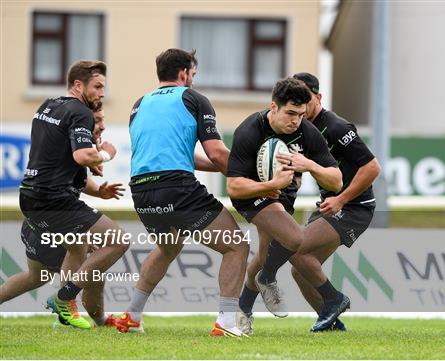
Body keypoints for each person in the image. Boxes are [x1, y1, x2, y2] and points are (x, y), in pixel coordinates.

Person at [114, 48, 249, 337]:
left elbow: (182, 156)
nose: (194, 80)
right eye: (193, 75)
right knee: (236, 245)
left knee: (168, 246)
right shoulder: (194, 99)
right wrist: (248, 174)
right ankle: (226, 322)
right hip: (176, 187)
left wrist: (220, 167)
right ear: (183, 73)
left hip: (141, 189)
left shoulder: (139, 104)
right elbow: (216, 152)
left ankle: (132, 315)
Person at [19, 60, 129, 329]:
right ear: (78, 85)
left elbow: (61, 158)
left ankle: (78, 313)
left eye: (104, 87)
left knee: (78, 248)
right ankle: (64, 298)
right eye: (97, 86)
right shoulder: (81, 112)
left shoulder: (47, 105)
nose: (102, 93)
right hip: (52, 200)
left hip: (32, 195)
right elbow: (81, 155)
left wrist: (96, 188)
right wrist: (105, 154)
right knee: (118, 240)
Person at [227, 77, 342, 330]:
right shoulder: (249, 130)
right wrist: (270, 185)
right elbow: (233, 185)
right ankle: (277, 280)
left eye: (301, 114)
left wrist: (309, 165)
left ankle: (244, 309)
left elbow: (336, 182)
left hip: (282, 195)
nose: (295, 120)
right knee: (296, 238)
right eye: (290, 113)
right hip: (251, 194)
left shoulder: (306, 132)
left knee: (267, 252)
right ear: (273, 107)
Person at [1, 108, 124, 327]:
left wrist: (100, 191)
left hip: (37, 224)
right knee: (86, 256)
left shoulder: (75, 147)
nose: (103, 126)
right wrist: (104, 154)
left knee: (37, 277)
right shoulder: (73, 146)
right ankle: (67, 307)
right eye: (98, 121)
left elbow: (79, 181)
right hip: (44, 225)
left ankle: (90, 316)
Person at [282, 72, 380, 332]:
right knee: (299, 270)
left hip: (354, 207)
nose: (301, 106)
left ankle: (335, 300)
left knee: (295, 250)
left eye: (306, 99)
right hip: (330, 203)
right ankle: (331, 322)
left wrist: (341, 199)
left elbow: (372, 167)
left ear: (318, 97)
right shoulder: (300, 128)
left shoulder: (337, 127)